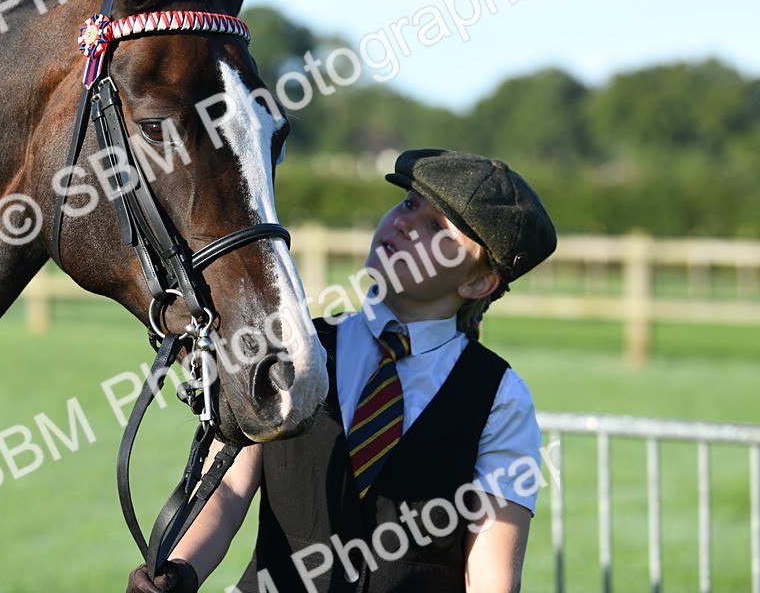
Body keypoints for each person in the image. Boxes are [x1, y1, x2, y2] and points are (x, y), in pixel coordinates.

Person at [127, 148, 558, 593]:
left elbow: (489, 577)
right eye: (409, 203)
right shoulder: (288, 347)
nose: (404, 223)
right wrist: (176, 571)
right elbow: (228, 488)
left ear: (478, 282)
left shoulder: (500, 397)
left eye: (436, 228)